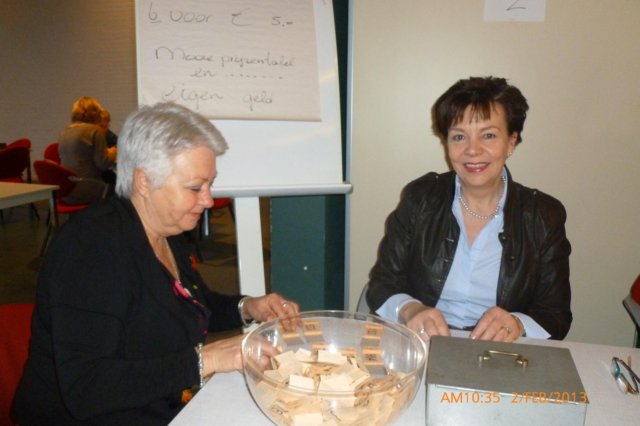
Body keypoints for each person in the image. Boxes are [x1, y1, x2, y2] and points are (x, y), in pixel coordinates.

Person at [11, 102, 300, 425]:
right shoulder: (92, 249)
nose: (208, 200)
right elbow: (87, 388)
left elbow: (192, 303)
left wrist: (249, 307)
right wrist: (205, 359)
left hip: (153, 403)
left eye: (210, 184)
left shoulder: (166, 230)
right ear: (144, 181)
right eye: (195, 187)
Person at [365, 76, 572, 343]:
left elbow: (556, 315)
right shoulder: (421, 199)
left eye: (488, 135)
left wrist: (517, 323)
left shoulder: (543, 216)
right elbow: (382, 284)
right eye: (459, 137)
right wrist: (411, 309)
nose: (472, 150)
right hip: (424, 342)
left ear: (511, 141)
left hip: (501, 350)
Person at [58, 96, 117, 199]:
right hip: (88, 187)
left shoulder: (65, 131)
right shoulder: (94, 130)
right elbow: (103, 164)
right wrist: (113, 152)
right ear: (95, 113)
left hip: (66, 190)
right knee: (121, 189)